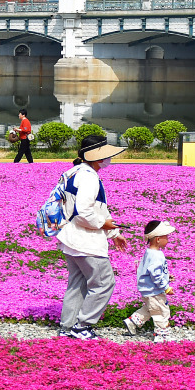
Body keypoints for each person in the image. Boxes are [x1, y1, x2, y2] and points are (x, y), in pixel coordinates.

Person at [55, 134, 128, 340]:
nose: (108, 159)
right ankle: (83, 326)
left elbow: (96, 208)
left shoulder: (72, 171)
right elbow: (84, 211)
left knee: (77, 283)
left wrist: (114, 233)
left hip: (69, 238)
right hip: (86, 241)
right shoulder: (89, 177)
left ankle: (67, 327)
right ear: (96, 157)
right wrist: (104, 225)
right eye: (105, 155)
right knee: (104, 283)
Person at [125, 221, 176, 342]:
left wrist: (167, 276)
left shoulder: (149, 252)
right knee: (160, 311)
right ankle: (161, 335)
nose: (168, 239)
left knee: (151, 308)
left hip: (147, 288)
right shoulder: (157, 255)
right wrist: (166, 287)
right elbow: (155, 274)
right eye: (166, 237)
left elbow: (152, 270)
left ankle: (132, 321)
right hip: (154, 290)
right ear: (158, 239)